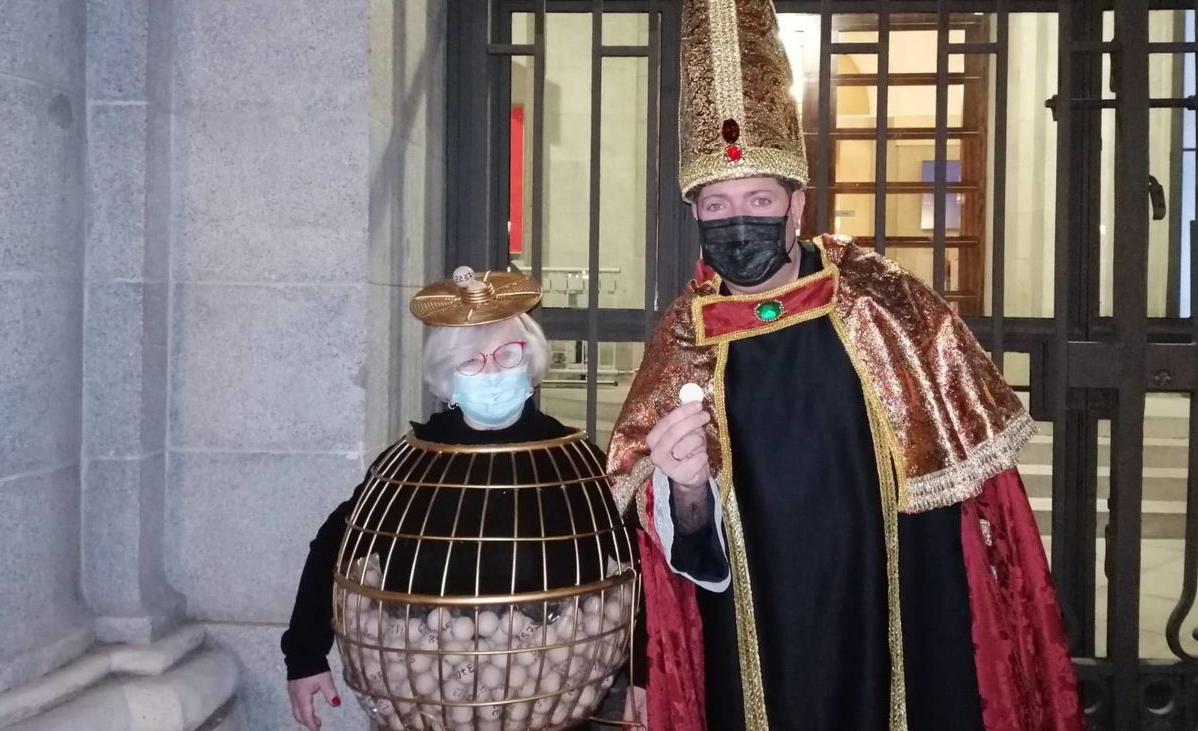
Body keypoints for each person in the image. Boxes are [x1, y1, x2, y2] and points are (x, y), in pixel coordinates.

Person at [605, 1, 1086, 730]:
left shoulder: (882, 301)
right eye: (717, 204)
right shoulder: (682, 337)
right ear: (696, 214)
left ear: (796, 205)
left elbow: (973, 492)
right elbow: (668, 546)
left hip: (892, 606)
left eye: (758, 198)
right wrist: (686, 488)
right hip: (756, 633)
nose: (738, 220)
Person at [281, 269, 640, 730]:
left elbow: (635, 563)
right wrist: (305, 655)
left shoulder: (576, 463)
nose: (492, 372)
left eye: (508, 354)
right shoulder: (410, 465)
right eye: (471, 362)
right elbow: (336, 545)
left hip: (553, 705)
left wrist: (644, 674)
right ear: (447, 376)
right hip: (427, 707)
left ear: (530, 362)